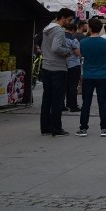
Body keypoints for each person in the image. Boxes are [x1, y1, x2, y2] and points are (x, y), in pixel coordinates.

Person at [76, 18, 106, 137]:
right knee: (102, 103)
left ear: (90, 28)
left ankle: (83, 128)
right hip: (102, 75)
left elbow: (82, 55)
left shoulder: (83, 42)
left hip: (87, 75)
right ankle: (104, 128)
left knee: (86, 103)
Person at [40, 8, 75, 137]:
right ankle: (56, 127)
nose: (70, 22)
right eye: (69, 20)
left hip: (46, 66)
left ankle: (45, 127)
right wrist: (67, 52)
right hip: (57, 68)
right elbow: (56, 48)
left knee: (46, 98)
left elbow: (45, 47)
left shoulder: (47, 29)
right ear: (63, 18)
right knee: (57, 100)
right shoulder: (59, 31)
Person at [64, 21, 82, 113]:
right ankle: (73, 105)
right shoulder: (73, 40)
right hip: (73, 64)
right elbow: (77, 53)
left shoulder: (60, 38)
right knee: (73, 86)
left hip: (63, 65)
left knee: (65, 86)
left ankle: (64, 103)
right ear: (73, 30)